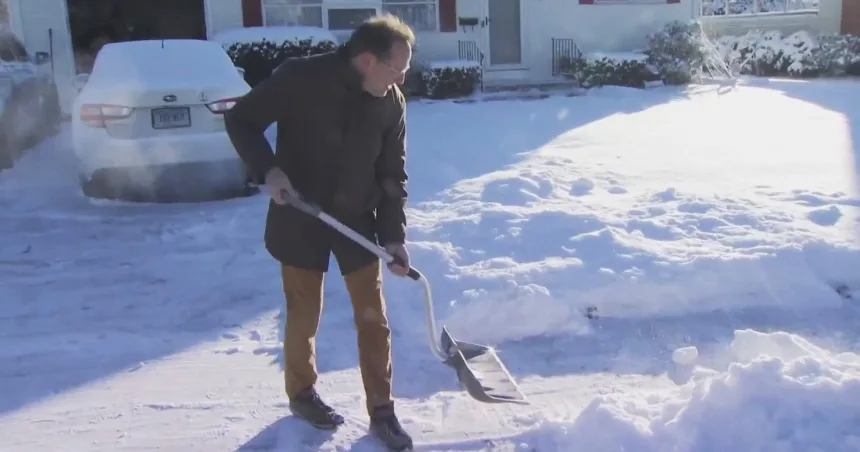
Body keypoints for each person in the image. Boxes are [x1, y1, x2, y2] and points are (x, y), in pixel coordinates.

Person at [223, 13, 415, 451]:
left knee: (374, 318)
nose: (402, 78)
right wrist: (269, 170)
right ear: (367, 61)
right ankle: (302, 394)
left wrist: (393, 237)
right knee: (303, 313)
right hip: (300, 212)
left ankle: (382, 411)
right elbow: (242, 120)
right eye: (397, 68)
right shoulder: (300, 78)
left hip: (357, 220)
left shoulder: (390, 102)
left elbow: (392, 175)